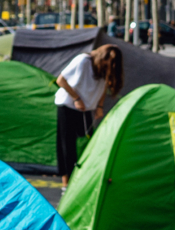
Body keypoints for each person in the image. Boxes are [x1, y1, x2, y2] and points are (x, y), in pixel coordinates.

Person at [53, 44, 124, 187]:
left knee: (89, 140)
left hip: (86, 108)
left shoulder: (104, 69)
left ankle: (85, 176)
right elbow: (60, 80)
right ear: (102, 58)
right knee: (67, 145)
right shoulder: (83, 61)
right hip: (68, 105)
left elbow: (104, 87)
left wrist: (99, 106)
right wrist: (76, 98)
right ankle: (67, 183)